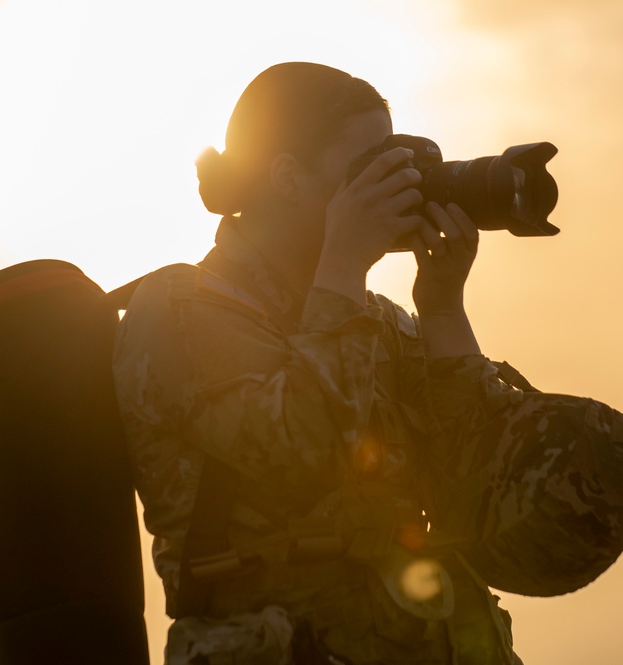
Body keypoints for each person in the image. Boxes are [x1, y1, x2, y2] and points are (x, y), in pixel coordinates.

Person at [113, 61, 528, 664]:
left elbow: (481, 474)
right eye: (369, 167)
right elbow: (300, 450)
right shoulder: (179, 310)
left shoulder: (373, 318)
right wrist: (344, 266)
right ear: (288, 178)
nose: (397, 183)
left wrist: (442, 314)